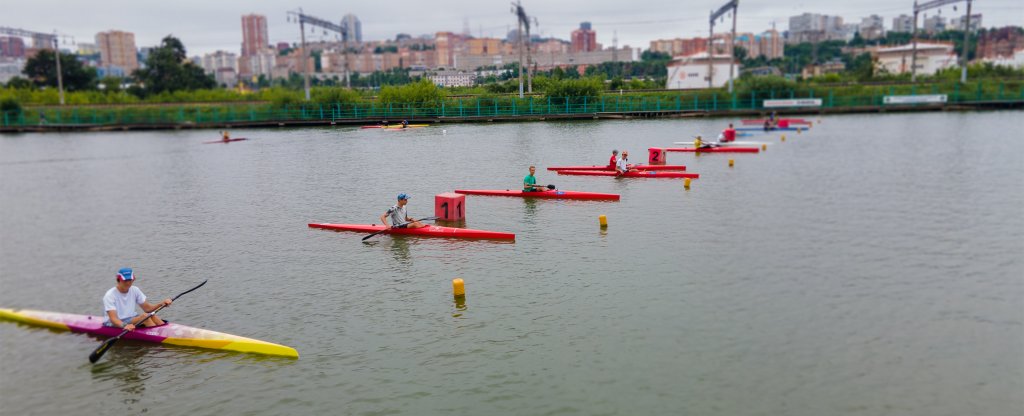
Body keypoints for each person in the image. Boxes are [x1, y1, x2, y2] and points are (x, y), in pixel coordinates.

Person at [103, 268, 172, 331]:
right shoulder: (110, 295)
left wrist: (161, 304)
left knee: (151, 314)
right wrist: (125, 326)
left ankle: (167, 331)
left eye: (130, 280)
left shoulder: (135, 290)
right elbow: (113, 319)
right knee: (144, 317)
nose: (128, 283)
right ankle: (158, 335)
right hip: (113, 322)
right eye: (125, 280)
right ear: (118, 280)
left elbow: (147, 309)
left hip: (130, 318)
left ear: (133, 279)